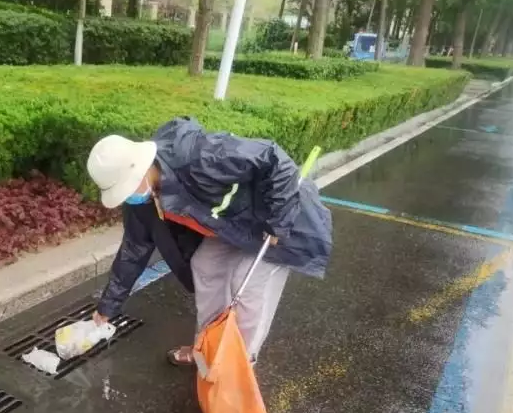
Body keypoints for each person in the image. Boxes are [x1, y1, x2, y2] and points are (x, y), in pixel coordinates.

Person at [87, 117, 332, 366]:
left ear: (139, 168)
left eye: (125, 187)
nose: (126, 196)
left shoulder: (199, 155)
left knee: (246, 286)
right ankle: (206, 349)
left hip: (280, 220)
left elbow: (274, 159)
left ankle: (238, 364)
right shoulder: (141, 198)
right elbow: (134, 248)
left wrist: (279, 221)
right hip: (231, 227)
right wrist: (109, 305)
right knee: (204, 265)